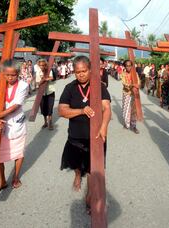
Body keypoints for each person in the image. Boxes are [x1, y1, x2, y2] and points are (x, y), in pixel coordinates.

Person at [58, 56, 111, 213]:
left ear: (90, 70)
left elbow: (106, 108)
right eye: (77, 72)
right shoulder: (70, 88)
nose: (80, 74)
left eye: (84, 71)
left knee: (92, 170)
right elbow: (62, 111)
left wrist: (104, 127)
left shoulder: (99, 87)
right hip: (75, 136)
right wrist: (81, 111)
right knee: (76, 163)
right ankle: (77, 174)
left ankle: (90, 197)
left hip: (95, 136)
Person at [0, 60, 29, 193]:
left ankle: (16, 177)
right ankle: (2, 180)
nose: (10, 78)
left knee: (18, 153)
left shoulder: (23, 85)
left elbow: (16, 105)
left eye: (13, 75)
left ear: (18, 74)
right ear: (2, 74)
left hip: (16, 122)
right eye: (7, 75)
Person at [121, 60, 140, 134]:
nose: (128, 67)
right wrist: (132, 85)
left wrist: (137, 85)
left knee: (134, 110)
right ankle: (127, 124)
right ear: (125, 66)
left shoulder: (135, 74)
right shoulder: (123, 74)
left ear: (132, 66)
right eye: (127, 66)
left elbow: (138, 82)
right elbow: (124, 84)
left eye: (130, 65)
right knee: (126, 109)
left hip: (134, 94)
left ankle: (134, 125)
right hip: (126, 94)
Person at [37, 59, 56, 130]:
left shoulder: (49, 71)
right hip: (42, 93)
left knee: (50, 108)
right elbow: (38, 83)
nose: (42, 66)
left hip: (50, 92)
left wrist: (45, 79)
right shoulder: (38, 72)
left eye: (43, 65)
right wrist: (44, 79)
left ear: (45, 65)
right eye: (40, 65)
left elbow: (52, 78)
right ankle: (45, 122)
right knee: (43, 108)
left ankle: (50, 123)